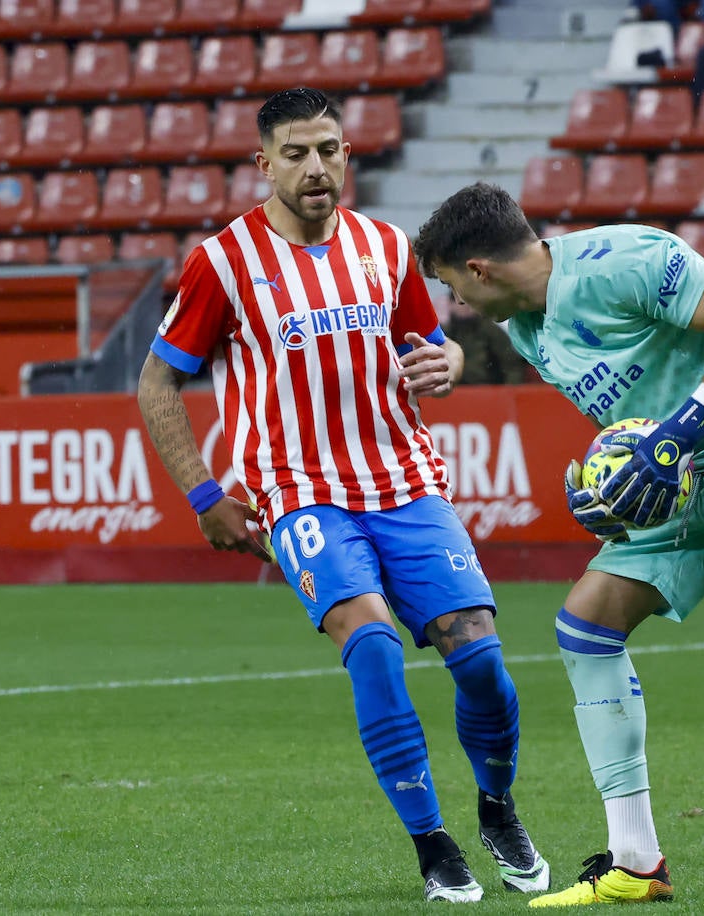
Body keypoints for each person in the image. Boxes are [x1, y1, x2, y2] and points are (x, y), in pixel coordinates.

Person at [136, 89, 548, 904]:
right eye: (296, 153)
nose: (316, 167)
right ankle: (433, 844)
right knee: (372, 644)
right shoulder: (223, 262)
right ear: (265, 165)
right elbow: (158, 382)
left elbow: (431, 349)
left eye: (329, 149)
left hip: (404, 482)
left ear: (347, 154)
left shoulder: (386, 247)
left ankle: (497, 809)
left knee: (483, 660)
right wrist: (203, 493)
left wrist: (449, 366)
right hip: (299, 494)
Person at [414, 183, 704, 912]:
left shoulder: (623, 257)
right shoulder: (529, 328)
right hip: (680, 474)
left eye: (449, 287)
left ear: (477, 269)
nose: (456, 308)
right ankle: (634, 860)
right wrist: (606, 486)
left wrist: (682, 428)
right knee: (586, 624)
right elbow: (635, 408)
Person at [441, 294, 530, 385]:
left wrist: (509, 391)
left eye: (470, 303)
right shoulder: (443, 334)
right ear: (450, 305)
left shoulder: (490, 331)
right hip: (453, 390)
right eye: (462, 304)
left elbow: (511, 364)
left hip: (488, 389)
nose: (466, 308)